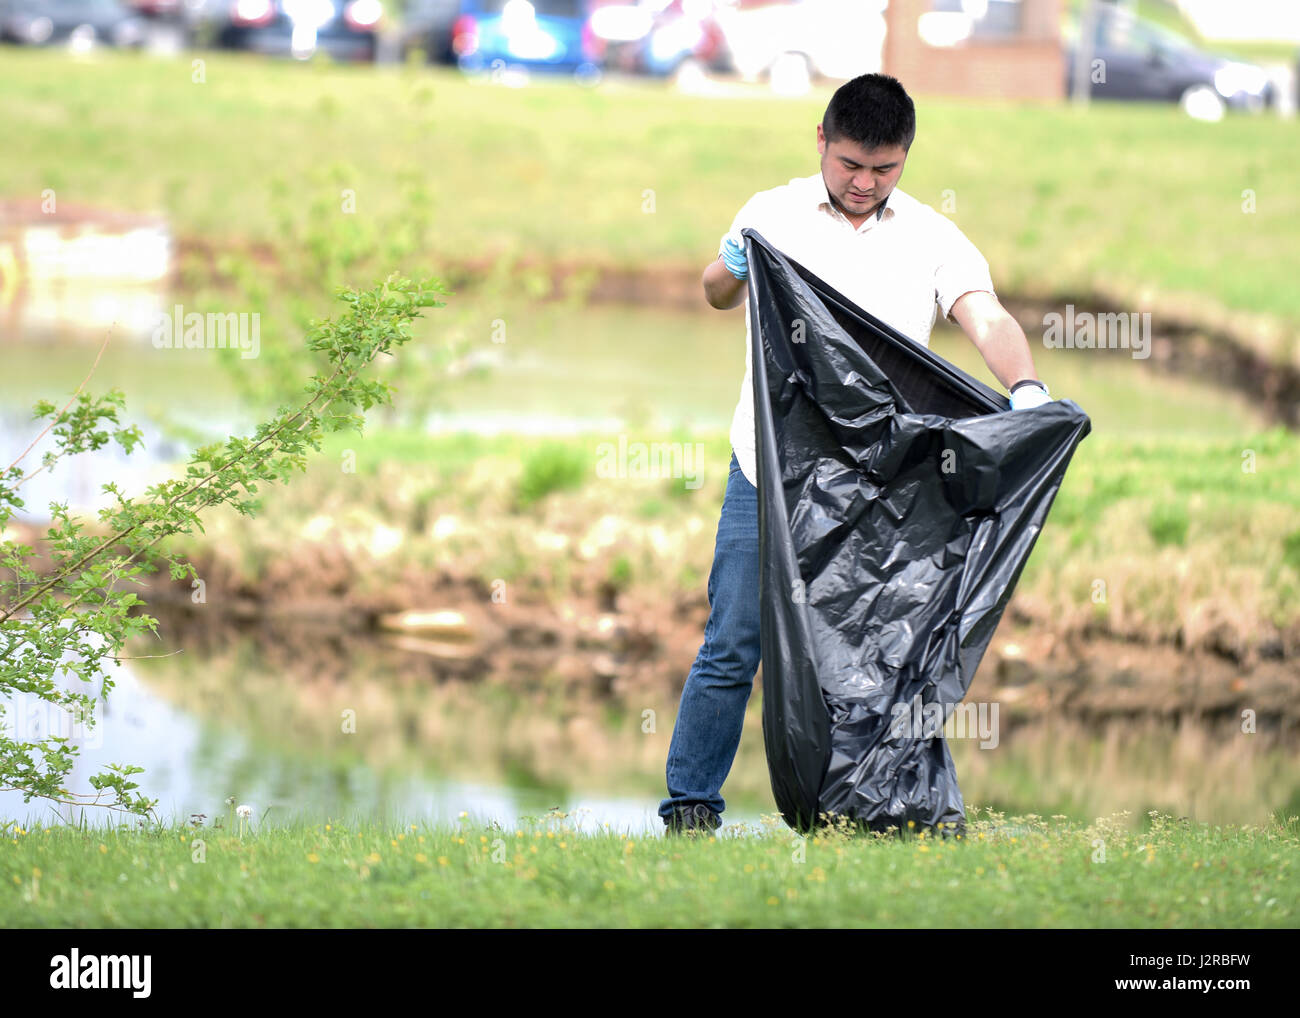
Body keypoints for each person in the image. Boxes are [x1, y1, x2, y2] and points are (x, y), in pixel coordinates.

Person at [659, 73, 1053, 835]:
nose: (866, 183)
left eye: (885, 168)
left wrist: (1027, 387)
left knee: (877, 652)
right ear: (821, 142)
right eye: (850, 165)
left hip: (877, 483)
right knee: (734, 641)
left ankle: (859, 810)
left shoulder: (933, 236)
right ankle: (690, 812)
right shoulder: (771, 213)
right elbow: (714, 293)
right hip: (766, 471)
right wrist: (733, 265)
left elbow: (985, 314)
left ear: (905, 157)